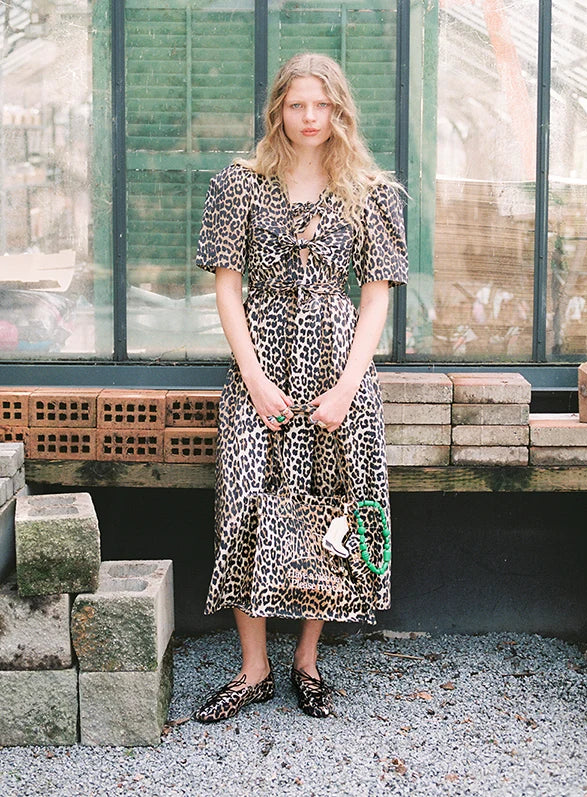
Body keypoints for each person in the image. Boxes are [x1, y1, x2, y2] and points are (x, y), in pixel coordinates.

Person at [192, 52, 408, 723]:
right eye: (297, 104)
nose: (310, 117)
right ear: (278, 110)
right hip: (258, 366)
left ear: (339, 110)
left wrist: (347, 387)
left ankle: (307, 660)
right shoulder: (239, 185)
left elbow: (376, 298)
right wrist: (254, 378)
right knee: (243, 504)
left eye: (322, 105)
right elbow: (227, 289)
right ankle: (253, 667)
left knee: (332, 510)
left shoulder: (372, 193)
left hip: (338, 369)